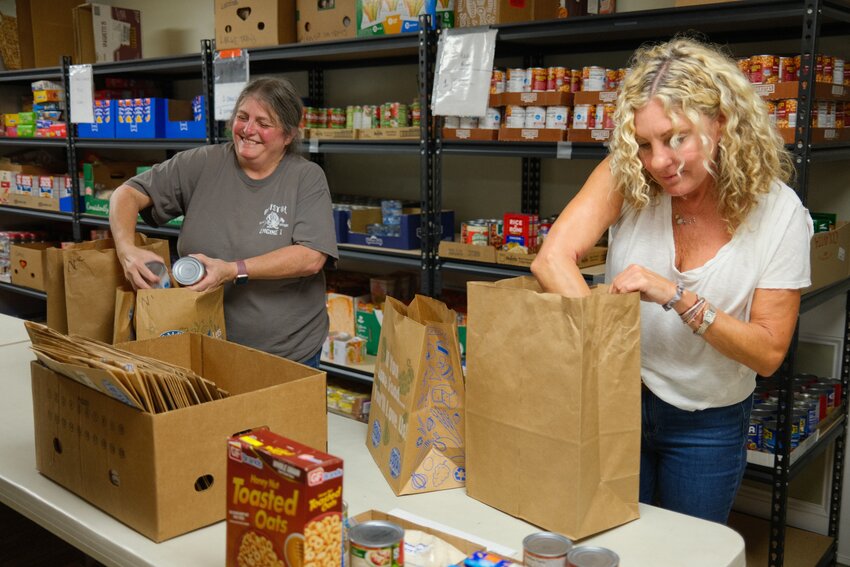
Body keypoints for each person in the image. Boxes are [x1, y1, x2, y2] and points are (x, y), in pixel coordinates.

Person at [531, 37, 813, 524]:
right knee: (613, 541)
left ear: (720, 122)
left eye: (676, 137)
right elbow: (551, 259)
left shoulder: (780, 213)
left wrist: (675, 296)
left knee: (687, 553)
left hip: (707, 420)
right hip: (617, 398)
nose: (658, 161)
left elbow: (767, 353)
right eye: (644, 143)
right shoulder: (629, 175)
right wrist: (607, 344)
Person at [109, 77, 338, 368]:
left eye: (264, 124)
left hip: (285, 351)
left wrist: (232, 270)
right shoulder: (203, 163)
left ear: (288, 135)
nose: (249, 130)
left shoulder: (306, 178)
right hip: (204, 339)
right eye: (242, 117)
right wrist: (126, 249)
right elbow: (126, 193)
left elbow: (310, 257)